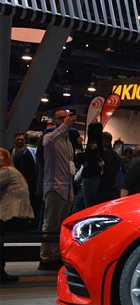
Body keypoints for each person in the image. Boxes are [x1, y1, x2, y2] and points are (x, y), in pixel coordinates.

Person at [39, 109, 78, 271]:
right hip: (54, 187)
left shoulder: (67, 141)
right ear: (55, 120)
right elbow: (46, 144)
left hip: (67, 188)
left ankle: (56, 255)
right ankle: (45, 257)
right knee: (50, 224)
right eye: (61, 118)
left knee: (61, 225)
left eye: (67, 117)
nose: (65, 120)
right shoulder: (50, 137)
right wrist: (62, 127)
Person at [1, 148, 35, 283]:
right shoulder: (13, 171)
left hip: (13, 218)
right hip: (20, 218)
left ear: (6, 159)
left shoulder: (6, 171)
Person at [12, 131, 39, 216]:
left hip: (24, 183)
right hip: (33, 184)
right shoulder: (42, 152)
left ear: (26, 140)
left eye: (21, 139)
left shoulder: (19, 153)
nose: (20, 141)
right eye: (18, 139)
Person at [98, 131, 123, 203]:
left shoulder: (101, 153)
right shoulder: (116, 155)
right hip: (111, 187)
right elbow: (118, 172)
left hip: (100, 186)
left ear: (103, 140)